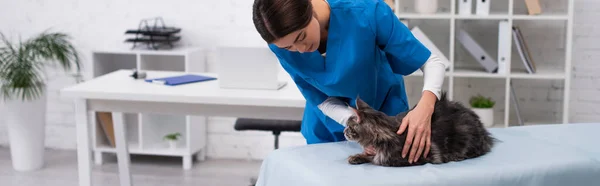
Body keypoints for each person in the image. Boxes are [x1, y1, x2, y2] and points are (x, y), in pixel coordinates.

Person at [252, 0, 449, 164]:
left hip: (384, 124)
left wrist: (426, 107)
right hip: (327, 130)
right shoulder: (281, 46)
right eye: (289, 47)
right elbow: (321, 99)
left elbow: (431, 62)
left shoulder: (366, 12)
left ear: (309, 8)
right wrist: (353, 123)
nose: (301, 49)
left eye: (301, 37)